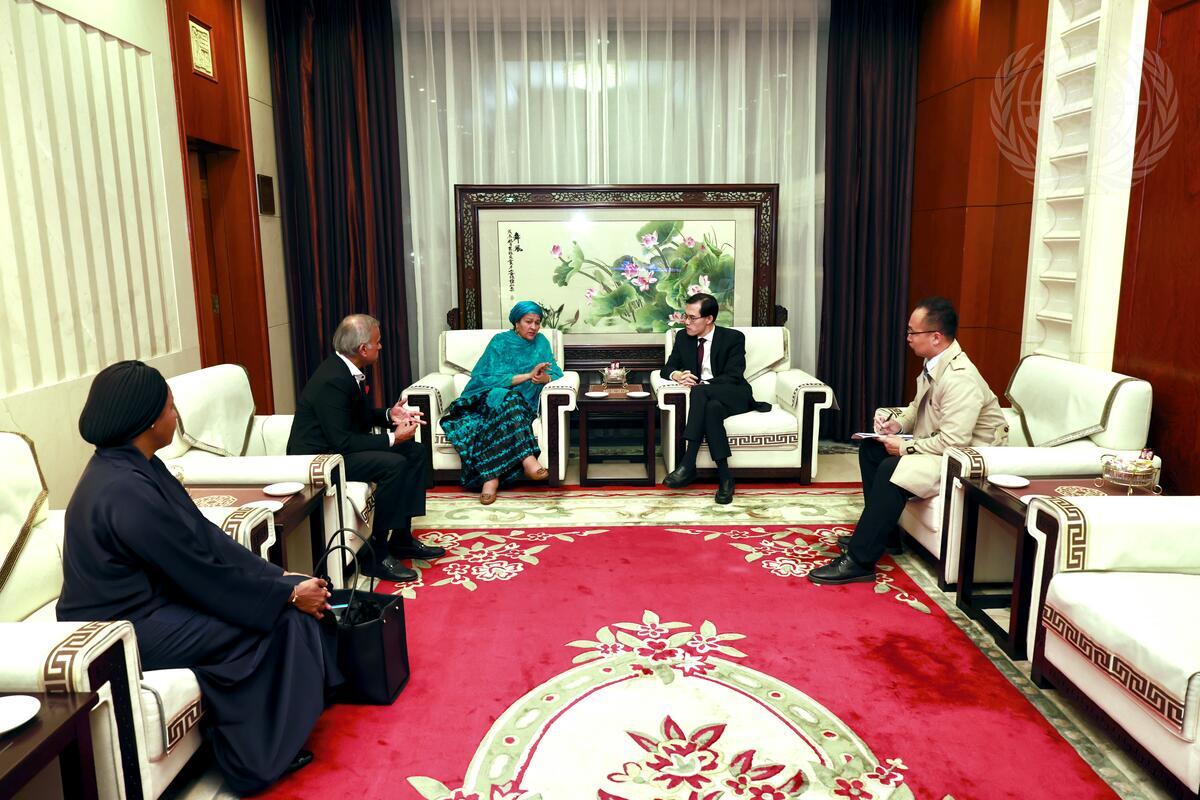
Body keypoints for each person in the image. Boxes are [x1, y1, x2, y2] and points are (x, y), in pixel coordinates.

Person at [57, 360, 341, 795]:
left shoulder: (140, 466)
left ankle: (270, 723)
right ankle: (255, 759)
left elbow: (205, 537)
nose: (177, 417)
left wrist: (280, 576)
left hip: (154, 602)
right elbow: (199, 573)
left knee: (276, 608)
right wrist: (285, 597)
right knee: (278, 621)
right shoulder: (125, 490)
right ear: (148, 421)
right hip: (120, 629)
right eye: (171, 408)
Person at [809, 296, 1009, 585]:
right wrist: (897, 423)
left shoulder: (960, 378)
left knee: (892, 468)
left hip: (967, 461)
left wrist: (904, 447)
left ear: (936, 337)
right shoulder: (935, 363)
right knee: (871, 449)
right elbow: (918, 407)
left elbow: (954, 442)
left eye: (913, 332)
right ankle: (887, 535)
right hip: (944, 448)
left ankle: (859, 561)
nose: (908, 338)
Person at [287, 314, 443, 583]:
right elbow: (343, 441)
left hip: (338, 450)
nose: (380, 346)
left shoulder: (346, 369)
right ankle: (377, 555)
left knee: (415, 452)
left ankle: (401, 538)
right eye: (377, 342)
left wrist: (389, 414)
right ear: (362, 349)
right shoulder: (333, 379)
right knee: (394, 464)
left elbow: (357, 418)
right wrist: (393, 438)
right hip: (322, 460)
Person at [440, 301, 563, 504]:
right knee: (506, 396)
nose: (534, 327)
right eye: (528, 322)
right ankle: (528, 460)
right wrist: (527, 376)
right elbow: (483, 377)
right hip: (487, 399)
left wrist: (545, 378)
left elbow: (556, 372)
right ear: (517, 322)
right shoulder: (500, 342)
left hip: (523, 405)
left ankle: (490, 480)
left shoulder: (541, 342)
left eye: (537, 322)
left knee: (512, 401)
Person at [660, 293, 766, 504]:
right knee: (712, 409)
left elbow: (733, 376)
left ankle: (688, 462)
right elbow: (667, 368)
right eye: (685, 316)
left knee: (699, 391)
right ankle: (725, 478)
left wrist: (703, 384)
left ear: (709, 319)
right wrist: (678, 375)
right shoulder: (683, 338)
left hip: (734, 394)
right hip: (709, 400)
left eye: (692, 318)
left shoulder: (733, 338)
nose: (686, 322)